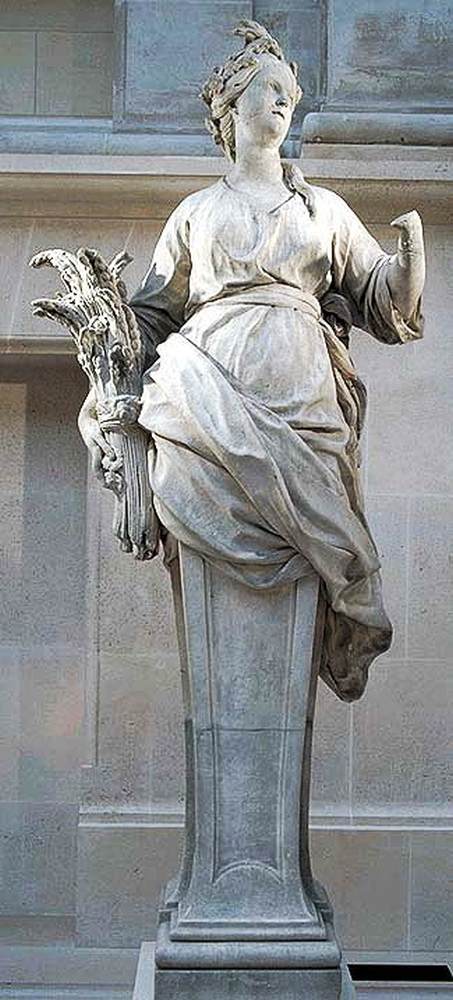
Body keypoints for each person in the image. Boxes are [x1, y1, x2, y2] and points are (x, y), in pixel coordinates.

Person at [78, 20, 425, 702]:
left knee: (326, 534)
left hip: (303, 403)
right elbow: (151, 315)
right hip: (202, 400)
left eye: (289, 93)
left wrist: (409, 258)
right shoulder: (196, 212)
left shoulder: (323, 210)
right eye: (268, 90)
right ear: (230, 109)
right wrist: (108, 340)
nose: (283, 102)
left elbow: (380, 297)